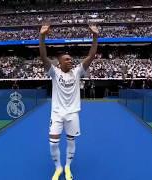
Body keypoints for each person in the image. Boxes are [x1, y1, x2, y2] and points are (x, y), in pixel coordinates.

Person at [39, 24, 98, 180]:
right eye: (66, 59)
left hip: (72, 113)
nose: (70, 61)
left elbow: (91, 56)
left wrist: (95, 37)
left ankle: (67, 167)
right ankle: (58, 168)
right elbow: (43, 56)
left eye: (71, 59)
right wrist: (42, 36)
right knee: (53, 143)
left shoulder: (78, 71)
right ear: (59, 62)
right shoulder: (54, 72)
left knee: (71, 142)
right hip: (57, 113)